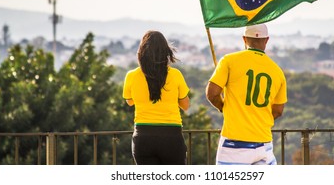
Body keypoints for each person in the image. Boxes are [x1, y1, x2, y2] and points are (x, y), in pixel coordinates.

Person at [206, 23, 287, 165]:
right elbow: (278, 110)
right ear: (267, 40)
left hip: (234, 145)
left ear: (244, 39)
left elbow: (212, 94)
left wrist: (223, 107)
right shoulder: (277, 71)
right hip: (264, 143)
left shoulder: (229, 61)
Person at [123, 30, 190, 165]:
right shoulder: (175, 75)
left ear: (141, 52)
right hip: (171, 137)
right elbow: (186, 105)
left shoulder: (131, 76)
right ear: (166, 51)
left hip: (143, 136)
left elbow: (129, 101)